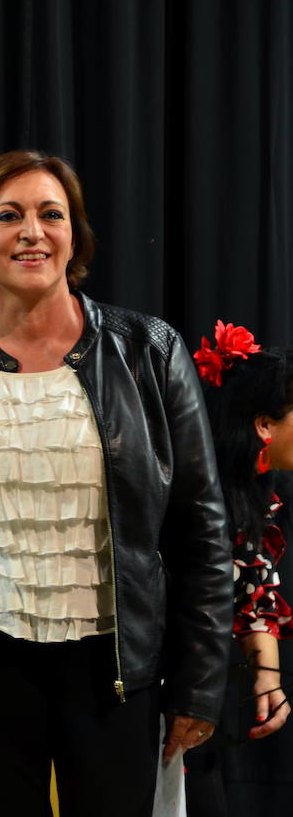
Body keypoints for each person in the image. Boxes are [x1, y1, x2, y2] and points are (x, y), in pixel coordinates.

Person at [0, 149, 231, 815]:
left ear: (74, 236)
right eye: (9, 215)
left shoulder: (150, 349)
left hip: (117, 668)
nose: (32, 231)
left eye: (50, 214)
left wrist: (202, 684)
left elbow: (201, 528)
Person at [184, 321, 291, 814]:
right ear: (264, 425)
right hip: (165, 703)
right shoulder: (194, 496)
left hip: (203, 707)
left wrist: (267, 675)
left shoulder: (257, 494)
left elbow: (255, 595)